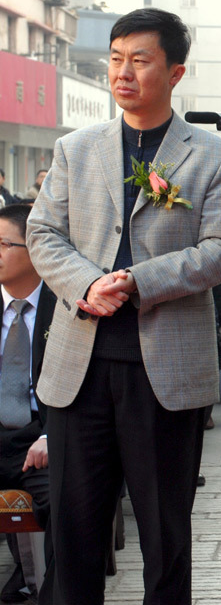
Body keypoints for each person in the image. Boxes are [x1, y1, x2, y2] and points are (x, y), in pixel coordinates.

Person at [25, 7, 221, 604]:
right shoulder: (76, 149)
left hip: (165, 372)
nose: (123, 72)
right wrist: (87, 284)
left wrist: (139, 280)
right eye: (116, 60)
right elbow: (43, 234)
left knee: (165, 536)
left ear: (175, 72)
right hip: (78, 368)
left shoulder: (213, 156)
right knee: (74, 535)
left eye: (139, 60)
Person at [0, 204, 55, 602]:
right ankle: (22, 569)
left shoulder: (68, 307)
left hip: (41, 439)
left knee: (68, 498)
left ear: (34, 249)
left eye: (3, 243)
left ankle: (52, 591)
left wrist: (55, 435)